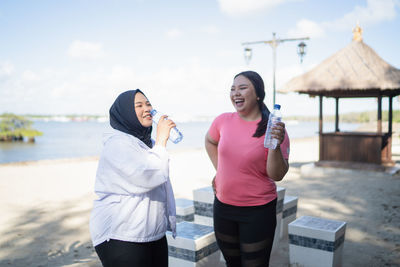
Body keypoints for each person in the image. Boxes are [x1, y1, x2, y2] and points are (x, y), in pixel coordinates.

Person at [205, 71, 290, 267]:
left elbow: (276, 175)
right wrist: (221, 171)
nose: (236, 93)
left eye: (242, 88)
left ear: (258, 94)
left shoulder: (274, 128)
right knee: (232, 263)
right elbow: (210, 141)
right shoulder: (222, 120)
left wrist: (275, 145)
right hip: (223, 208)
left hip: (257, 212)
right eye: (233, 89)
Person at [89, 89, 176, 267]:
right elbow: (148, 176)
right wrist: (161, 141)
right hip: (121, 235)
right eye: (139, 105)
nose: (147, 109)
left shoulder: (146, 143)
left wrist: (157, 143)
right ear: (126, 113)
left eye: (148, 103)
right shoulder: (118, 144)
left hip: (152, 233)